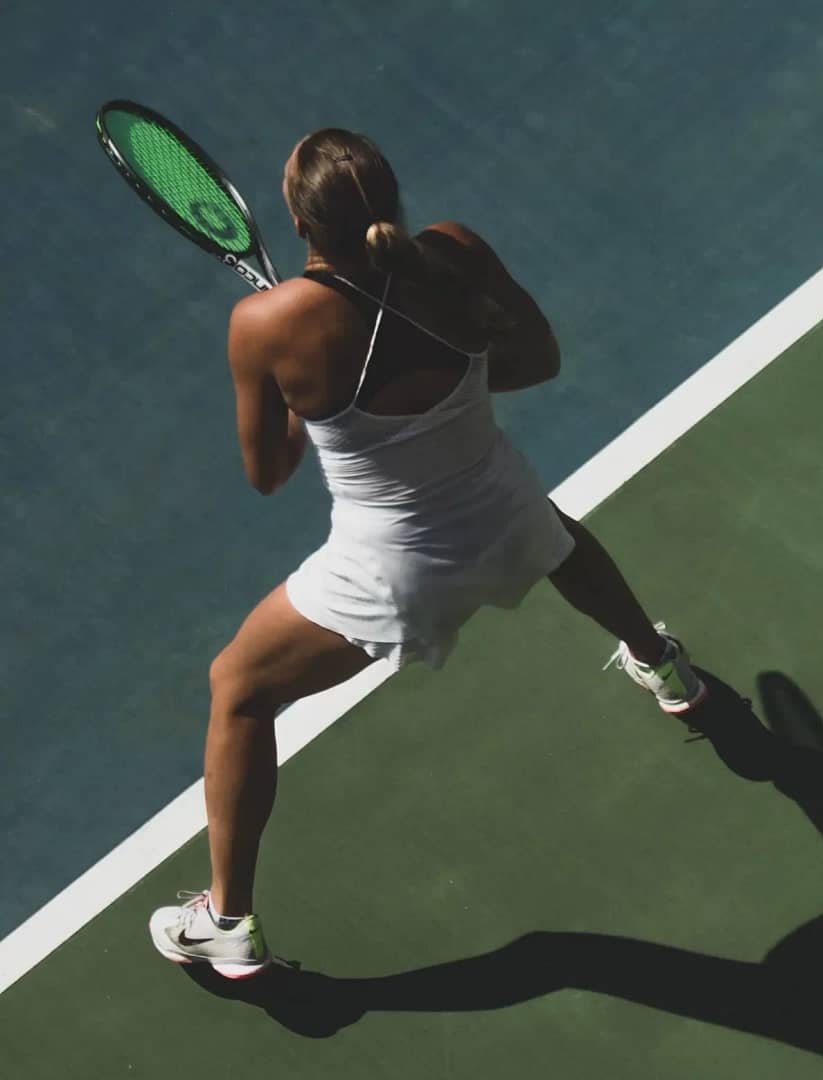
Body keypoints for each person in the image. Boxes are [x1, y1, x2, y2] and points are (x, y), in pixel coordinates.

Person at [148, 128, 704, 979]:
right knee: (549, 532)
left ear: (299, 221)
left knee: (238, 688)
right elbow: (538, 360)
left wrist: (311, 407)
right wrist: (445, 388)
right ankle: (664, 666)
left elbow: (268, 474)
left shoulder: (266, 322)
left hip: (393, 575)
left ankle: (227, 920)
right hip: (504, 509)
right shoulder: (453, 251)